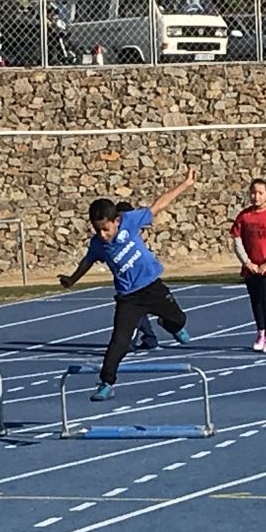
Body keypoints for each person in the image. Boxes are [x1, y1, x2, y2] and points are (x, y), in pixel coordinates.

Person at [58, 170, 196, 402]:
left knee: (179, 322)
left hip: (152, 287)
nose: (103, 234)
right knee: (119, 342)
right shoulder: (98, 244)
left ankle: (167, 323)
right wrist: (72, 280)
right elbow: (87, 261)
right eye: (97, 230)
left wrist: (186, 184)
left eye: (106, 229)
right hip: (128, 298)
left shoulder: (130, 221)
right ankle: (106, 383)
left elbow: (159, 205)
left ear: (117, 221)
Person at [230, 177, 266, 354]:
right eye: (253, 193)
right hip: (251, 268)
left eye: (260, 193)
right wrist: (247, 262)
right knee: (255, 302)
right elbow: (237, 241)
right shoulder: (244, 216)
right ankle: (260, 332)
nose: (256, 196)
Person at [115, 201, 159, 352]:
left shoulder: (129, 231)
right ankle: (150, 337)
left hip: (135, 279)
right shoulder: (126, 232)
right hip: (129, 278)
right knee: (138, 309)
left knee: (130, 311)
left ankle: (130, 341)